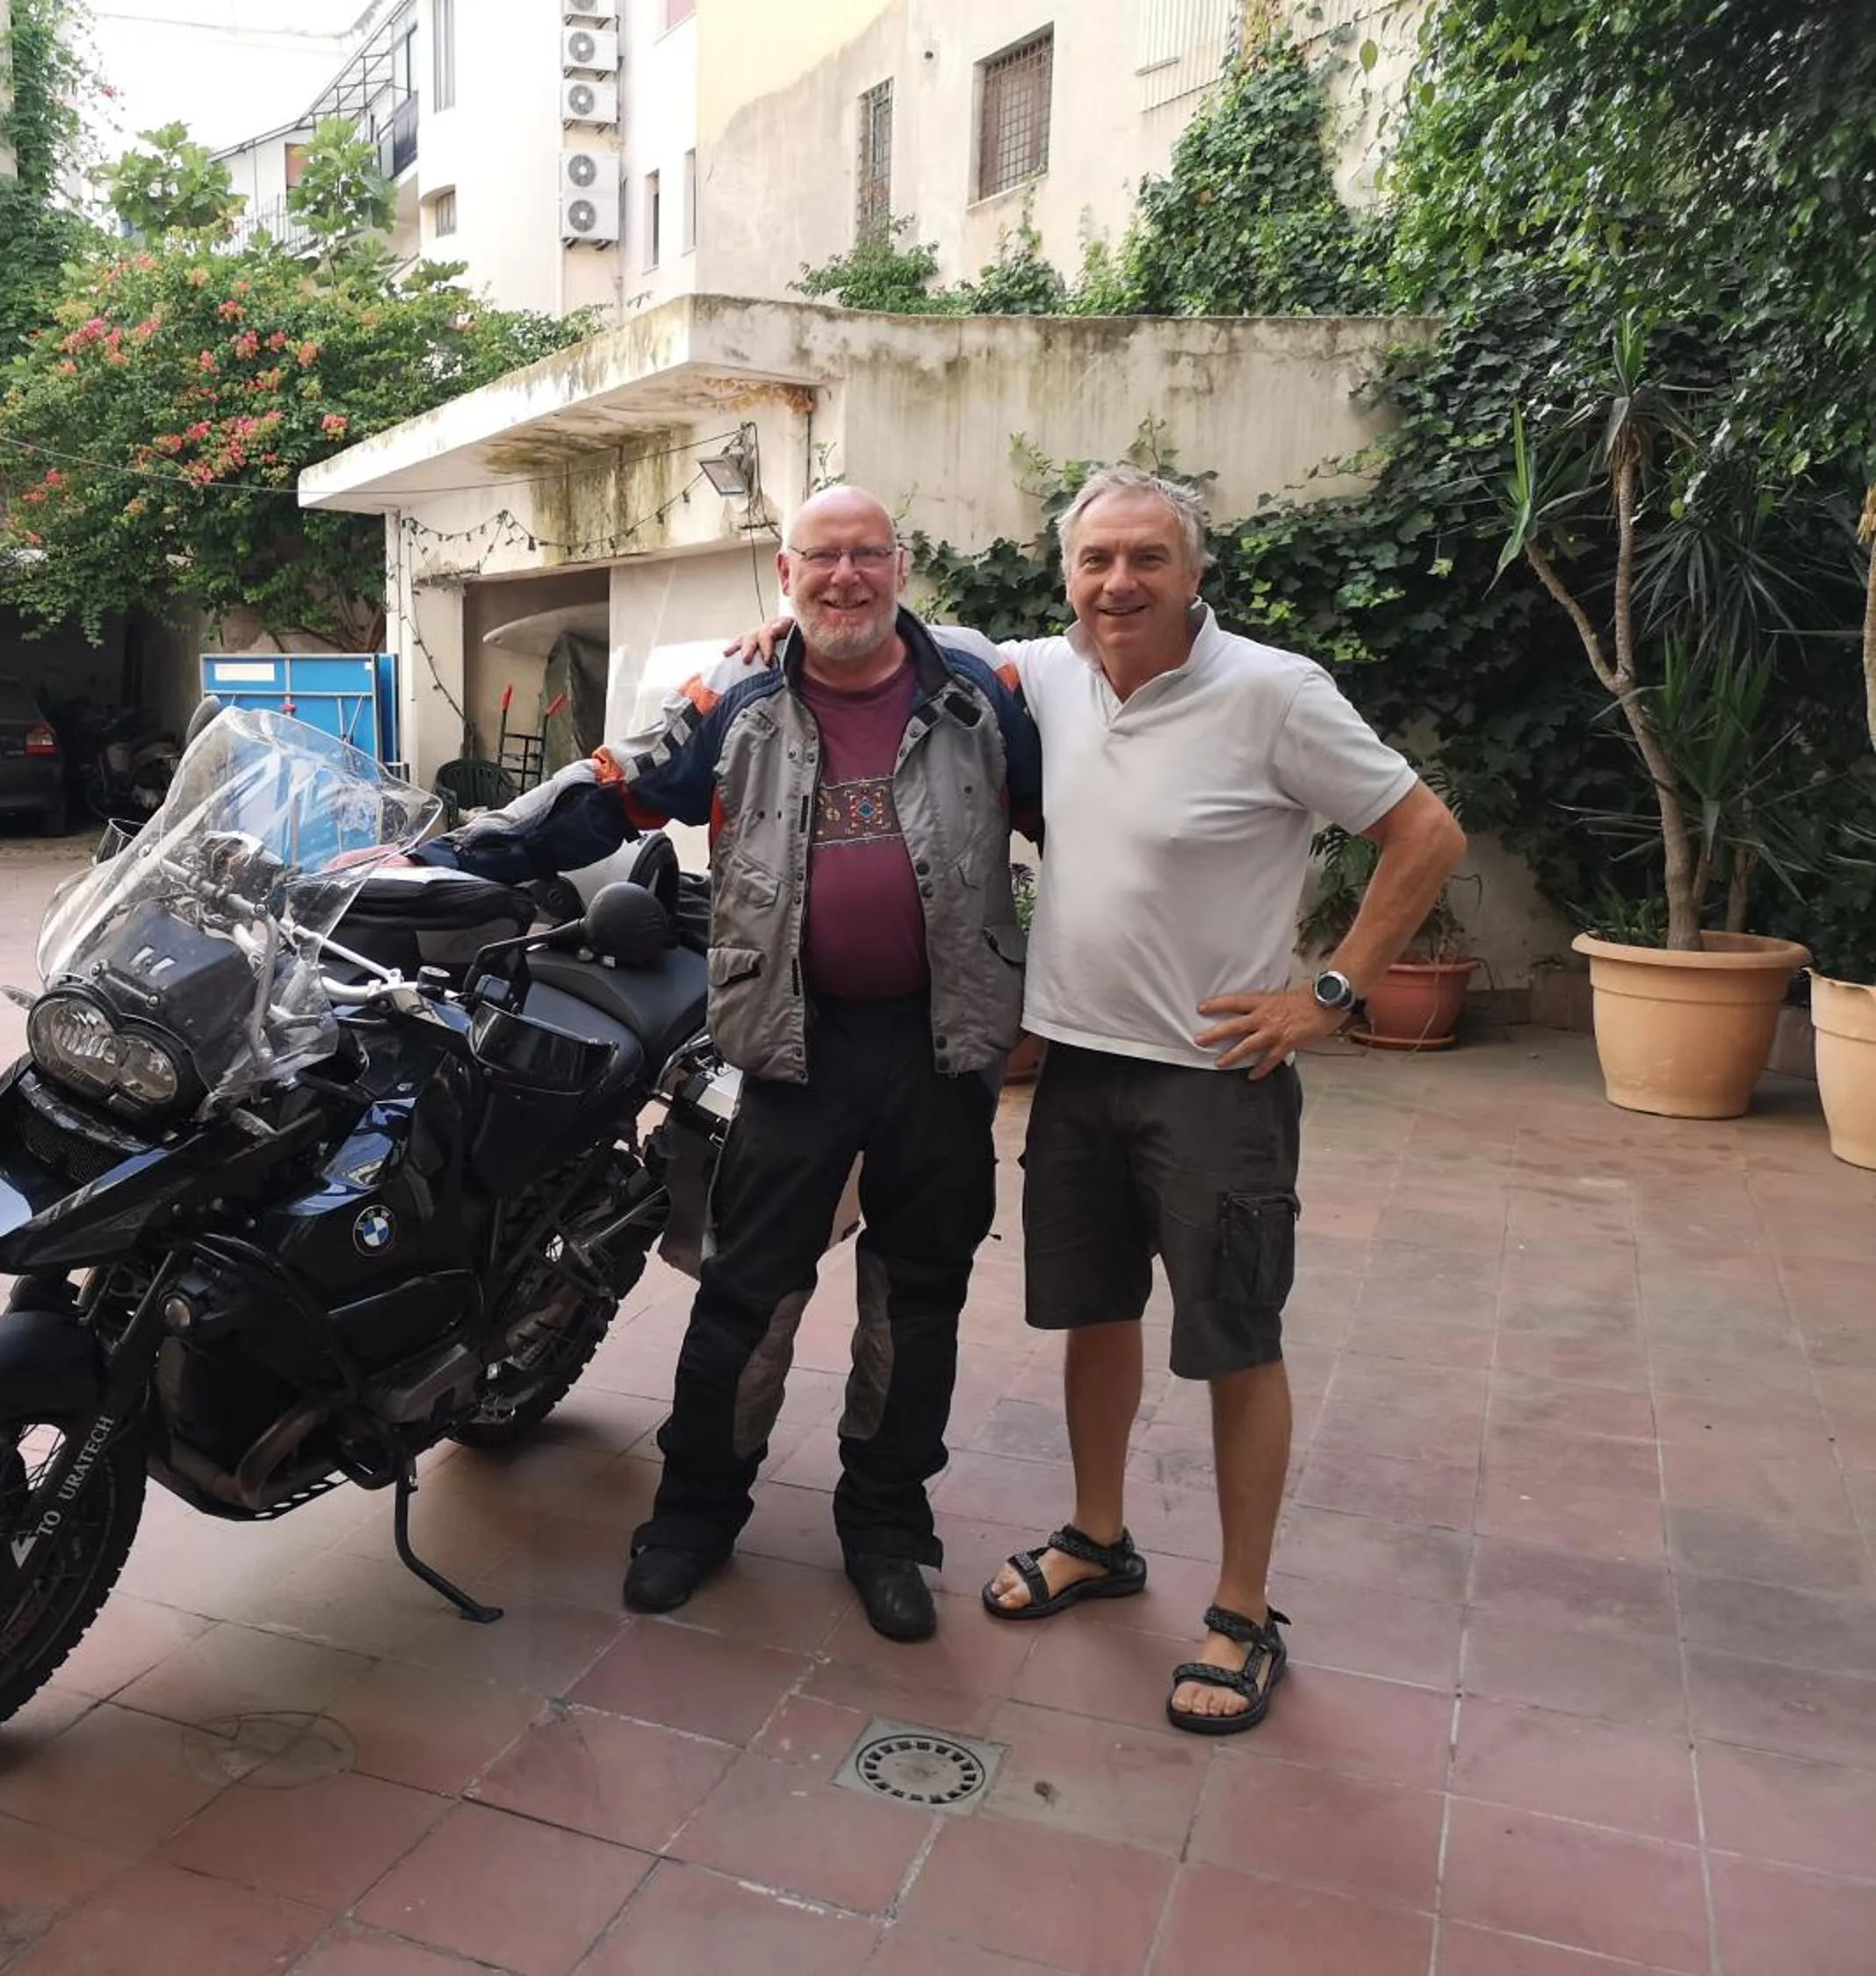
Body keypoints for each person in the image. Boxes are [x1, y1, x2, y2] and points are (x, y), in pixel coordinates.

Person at [731, 465, 1464, 1729]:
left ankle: (1241, 1610)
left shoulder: (1275, 693)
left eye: (1147, 558)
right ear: (1066, 575)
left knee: (1237, 1336)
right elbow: (889, 634)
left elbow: (1427, 833)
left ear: (1194, 572)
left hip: (1217, 1076)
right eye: (1096, 560)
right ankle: (1098, 1534)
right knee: (1094, 1316)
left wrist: (1331, 995)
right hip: (1073, 1060)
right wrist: (781, 628)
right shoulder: (1039, 676)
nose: (1119, 582)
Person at [415, 486, 1042, 1641]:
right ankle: (696, 1512)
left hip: (940, 1043)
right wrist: (457, 853)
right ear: (783, 571)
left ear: (902, 565)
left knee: (919, 1299)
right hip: (791, 1043)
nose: (845, 576)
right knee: (747, 1294)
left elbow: (1080, 816)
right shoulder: (735, 694)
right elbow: (611, 790)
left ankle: (889, 1525)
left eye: (867, 554)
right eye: (823, 558)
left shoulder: (980, 689)